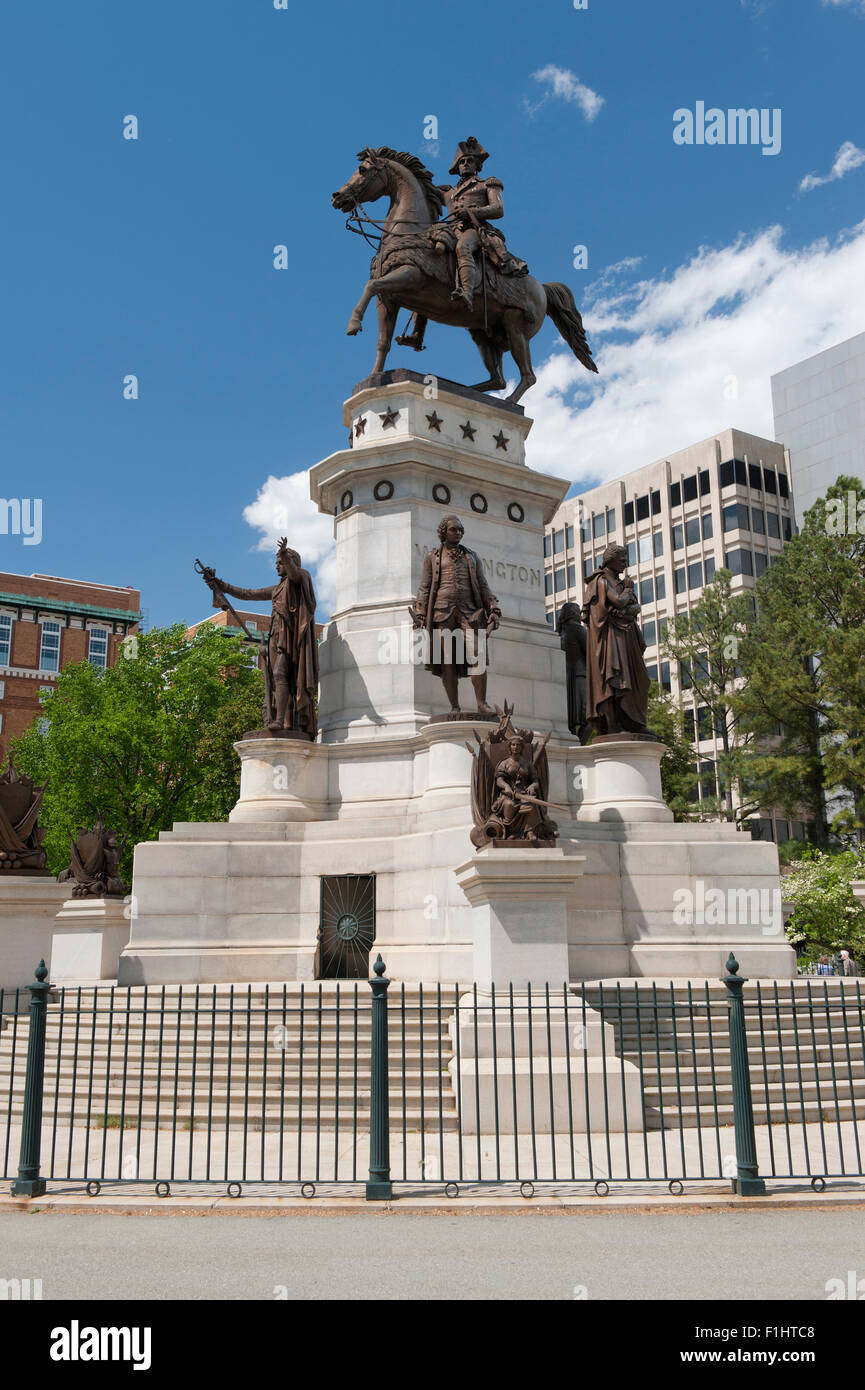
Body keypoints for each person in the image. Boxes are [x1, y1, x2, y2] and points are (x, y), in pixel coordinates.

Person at [204, 538, 319, 739]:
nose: (277, 566)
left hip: (291, 640)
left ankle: (280, 721)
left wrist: (284, 555)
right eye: (277, 562)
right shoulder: (276, 589)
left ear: (290, 561)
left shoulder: (300, 578)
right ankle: (283, 721)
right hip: (275, 638)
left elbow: (294, 574)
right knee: (277, 680)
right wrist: (219, 584)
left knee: (280, 675)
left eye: (280, 562)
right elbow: (247, 594)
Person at [412, 515, 501, 716]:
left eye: (461, 530)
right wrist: (419, 611)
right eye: (454, 529)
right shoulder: (432, 557)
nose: (458, 533)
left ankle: (481, 704)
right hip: (442, 613)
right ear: (444, 532)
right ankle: (454, 706)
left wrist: (493, 608)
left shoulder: (471, 556)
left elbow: (483, 585)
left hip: (469, 612)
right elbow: (424, 588)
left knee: (478, 652)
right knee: (447, 660)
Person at [581, 543, 651, 736]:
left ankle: (634, 722)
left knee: (640, 679)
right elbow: (619, 601)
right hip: (609, 640)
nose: (625, 563)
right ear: (610, 560)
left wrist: (624, 609)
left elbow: (635, 608)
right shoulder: (600, 581)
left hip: (626, 637)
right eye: (622, 560)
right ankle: (613, 725)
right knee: (614, 680)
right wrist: (627, 593)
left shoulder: (620, 583)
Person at [556, 602, 591, 743]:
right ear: (571, 613)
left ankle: (575, 743)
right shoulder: (577, 629)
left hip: (566, 680)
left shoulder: (560, 633)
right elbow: (590, 653)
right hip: (580, 677)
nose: (580, 615)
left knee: (571, 721)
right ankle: (580, 746)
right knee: (590, 717)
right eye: (577, 611)